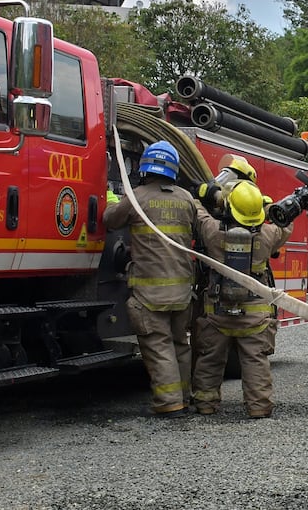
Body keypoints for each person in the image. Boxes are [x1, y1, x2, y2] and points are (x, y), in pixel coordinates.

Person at [102, 140, 197, 418]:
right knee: (180, 344)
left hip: (150, 294)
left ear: (145, 168)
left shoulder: (136, 197)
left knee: (158, 345)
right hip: (182, 292)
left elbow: (111, 220)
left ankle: (169, 404)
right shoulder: (186, 199)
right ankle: (184, 397)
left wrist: (110, 198)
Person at [192, 180, 293, 418]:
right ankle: (258, 407)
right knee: (256, 362)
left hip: (218, 312)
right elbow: (286, 225)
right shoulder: (269, 234)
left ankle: (206, 405)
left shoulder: (213, 231)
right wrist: (268, 208)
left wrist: (208, 195)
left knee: (210, 361)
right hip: (255, 316)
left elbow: (197, 212)